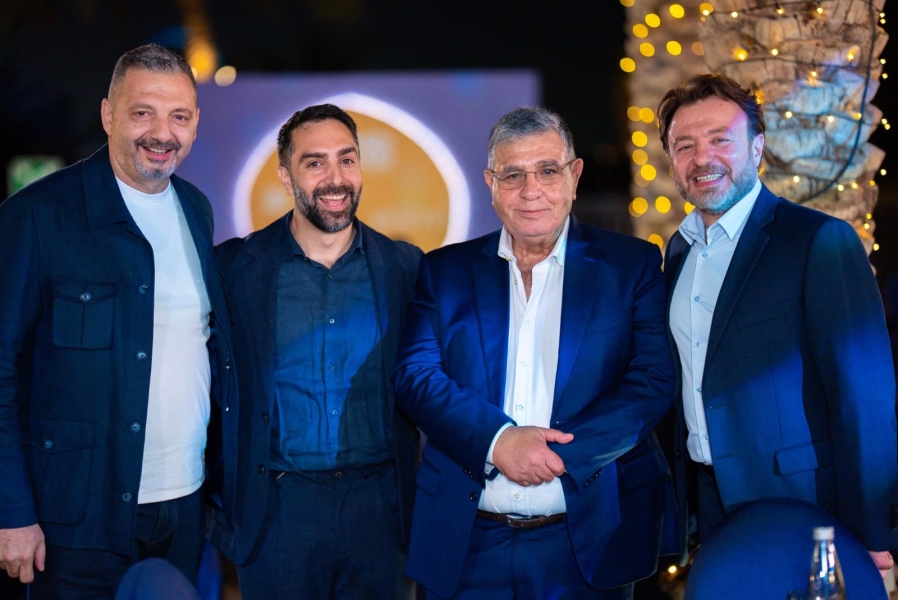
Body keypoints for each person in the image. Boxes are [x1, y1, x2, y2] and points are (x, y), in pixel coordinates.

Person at [392, 106, 676, 599]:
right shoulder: (444, 271)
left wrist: (560, 455)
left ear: (574, 176)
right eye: (513, 175)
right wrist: (499, 442)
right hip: (465, 542)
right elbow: (416, 376)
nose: (531, 190)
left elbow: (652, 380)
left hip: (589, 539)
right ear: (490, 183)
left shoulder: (631, 265)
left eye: (547, 170)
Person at [0, 44, 237, 597]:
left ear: (196, 123)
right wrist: (11, 510)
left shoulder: (197, 210)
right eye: (142, 113)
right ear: (109, 115)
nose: (162, 133)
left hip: (184, 507)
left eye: (179, 116)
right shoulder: (36, 216)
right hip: (74, 517)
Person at [658, 73, 898, 575]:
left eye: (720, 139)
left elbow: (865, 398)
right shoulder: (678, 252)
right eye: (685, 146)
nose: (702, 158)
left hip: (804, 504)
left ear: (757, 146)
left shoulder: (819, 241)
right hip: (710, 509)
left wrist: (875, 531)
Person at [211, 104, 422, 599]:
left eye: (347, 159)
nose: (335, 178)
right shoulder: (234, 270)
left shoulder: (406, 268)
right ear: (286, 177)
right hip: (277, 513)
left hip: (381, 513)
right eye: (315, 163)